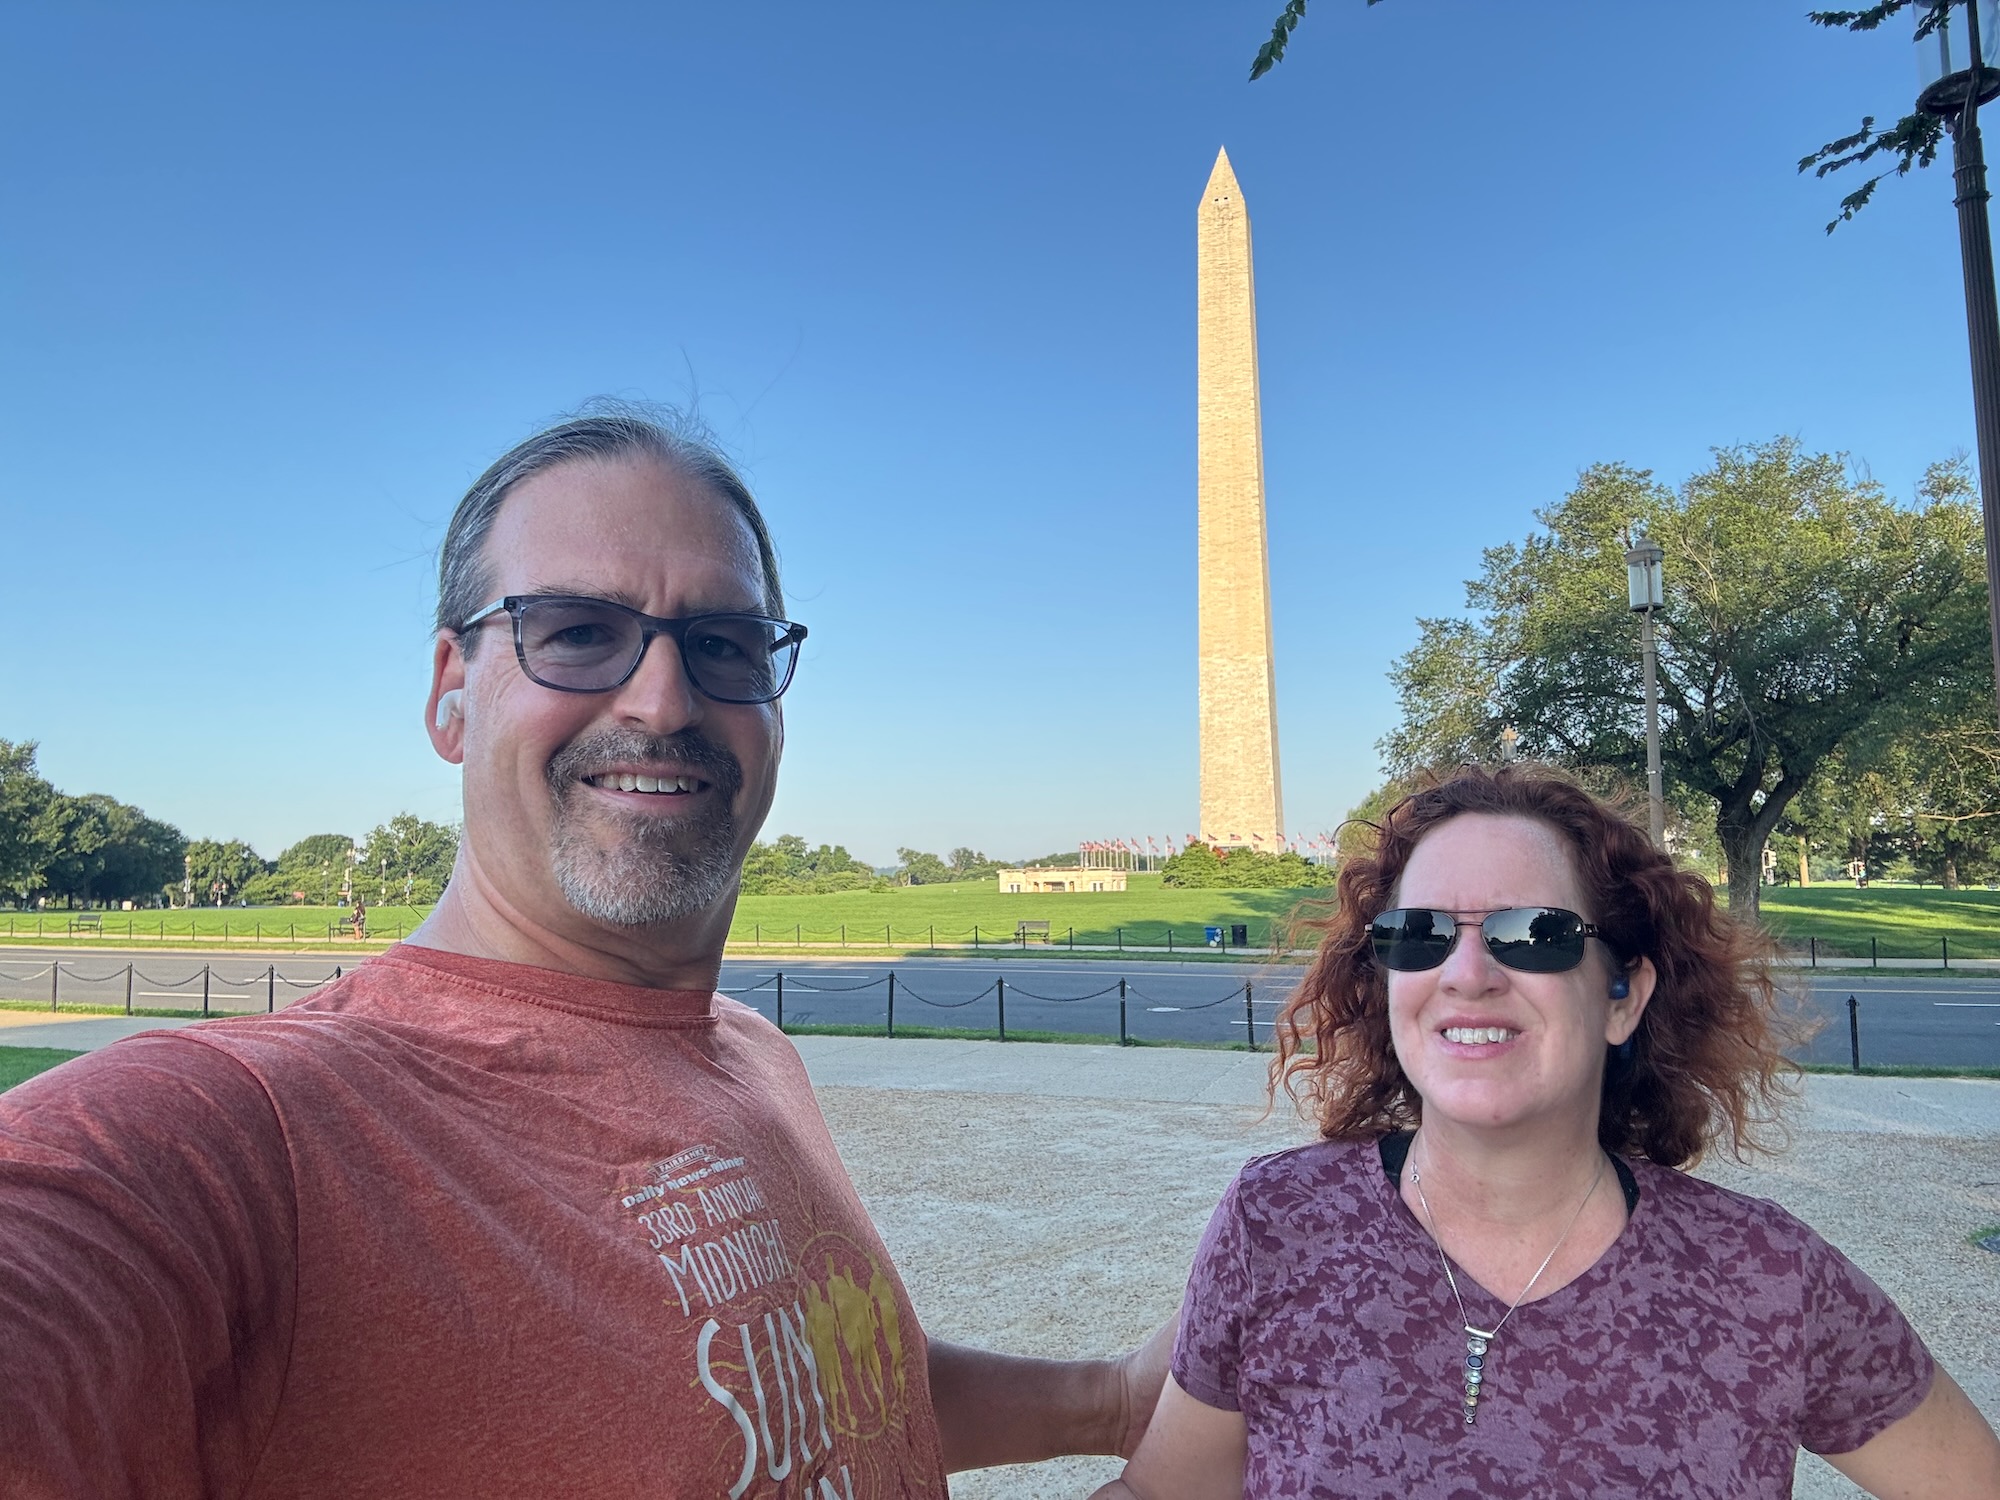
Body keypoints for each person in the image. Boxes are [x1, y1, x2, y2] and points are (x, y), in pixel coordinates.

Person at [0, 405, 1166, 1498]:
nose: (662, 701)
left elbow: (823, 1389)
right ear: (451, 694)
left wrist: (1115, 1402)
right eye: (575, 633)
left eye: (723, 644)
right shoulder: (235, 1137)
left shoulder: (750, 1052)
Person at [1097, 765, 2000, 1500]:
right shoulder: (1277, 1223)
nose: (1468, 973)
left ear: (1624, 996)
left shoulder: (1767, 1277)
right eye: (1418, 933)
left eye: (1534, 934)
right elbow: (1162, 1490)